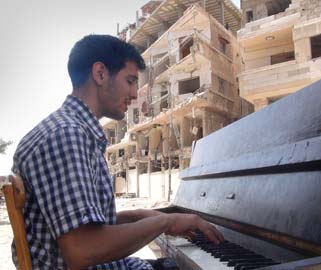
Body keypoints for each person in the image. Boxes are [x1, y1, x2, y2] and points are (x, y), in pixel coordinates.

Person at [11, 34, 224, 270]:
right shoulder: (67, 135)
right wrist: (167, 221)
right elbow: (84, 250)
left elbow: (90, 223)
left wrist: (143, 215)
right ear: (100, 74)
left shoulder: (72, 131)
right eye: (130, 80)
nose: (134, 94)